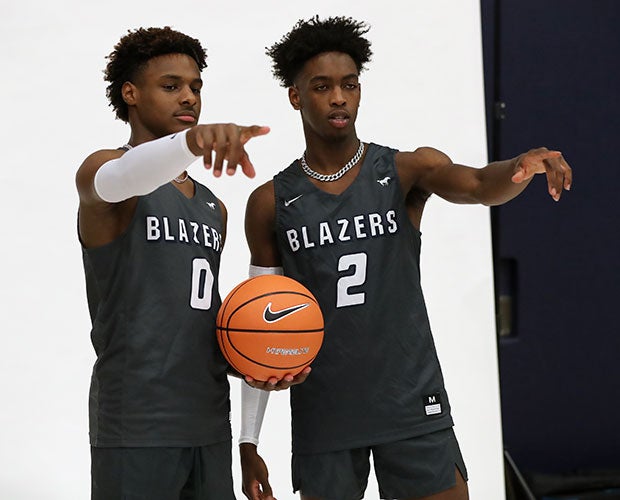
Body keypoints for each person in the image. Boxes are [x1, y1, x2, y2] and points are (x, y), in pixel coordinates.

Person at [239, 15, 572, 500]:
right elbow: (258, 330)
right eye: (322, 86)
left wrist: (518, 168)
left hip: (412, 402)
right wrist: (249, 440)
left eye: (349, 85)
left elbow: (479, 184)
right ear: (296, 96)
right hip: (326, 413)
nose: (338, 97)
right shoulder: (270, 202)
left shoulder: (405, 169)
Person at [75, 26, 269, 500]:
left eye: (196, 87)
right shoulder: (103, 174)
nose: (189, 97)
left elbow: (199, 318)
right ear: (131, 94)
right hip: (136, 424)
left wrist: (260, 359)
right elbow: (127, 174)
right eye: (171, 86)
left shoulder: (213, 207)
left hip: (207, 422)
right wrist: (193, 143)